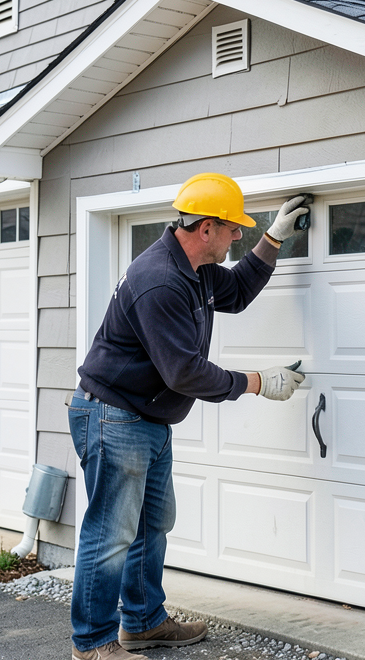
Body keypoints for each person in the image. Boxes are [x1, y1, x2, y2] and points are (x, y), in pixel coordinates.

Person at [69, 173, 310, 660]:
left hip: (146, 418)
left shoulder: (195, 269)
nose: (237, 235)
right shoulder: (159, 279)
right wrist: (258, 382)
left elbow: (238, 292)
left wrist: (272, 238)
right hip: (113, 417)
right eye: (233, 228)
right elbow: (184, 372)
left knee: (152, 523)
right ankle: (92, 645)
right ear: (206, 228)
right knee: (111, 531)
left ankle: (143, 622)